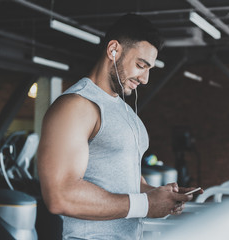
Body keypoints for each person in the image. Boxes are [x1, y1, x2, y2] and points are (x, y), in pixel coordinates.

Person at [37, 14, 200, 240]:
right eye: (140, 65)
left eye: (149, 68)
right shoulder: (77, 105)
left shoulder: (123, 110)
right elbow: (60, 195)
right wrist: (145, 205)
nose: (145, 78)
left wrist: (158, 196)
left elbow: (127, 180)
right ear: (113, 50)